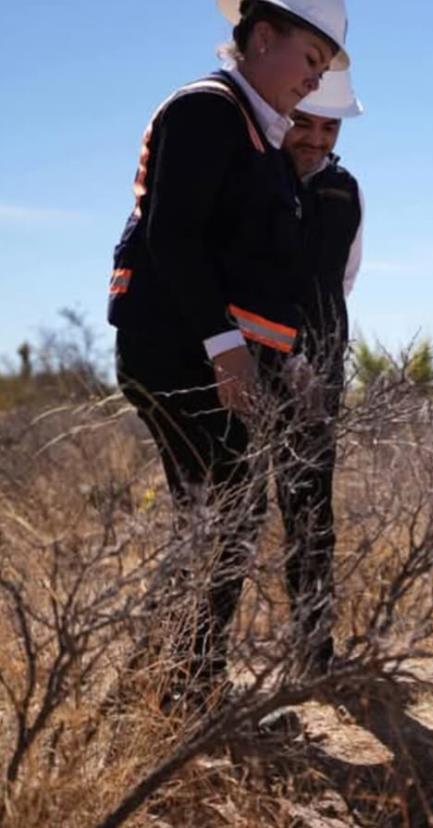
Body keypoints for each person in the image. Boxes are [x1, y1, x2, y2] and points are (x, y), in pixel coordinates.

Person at [108, 0, 349, 710]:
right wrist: (224, 349)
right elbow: (172, 238)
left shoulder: (264, 144)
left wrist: (290, 362)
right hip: (176, 352)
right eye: (310, 60)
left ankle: (172, 686)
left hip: (222, 358)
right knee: (223, 513)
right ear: (263, 37)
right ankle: (176, 693)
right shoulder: (206, 111)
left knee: (222, 517)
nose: (314, 81)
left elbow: (261, 279)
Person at [269, 67, 364, 677]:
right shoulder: (255, 175)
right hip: (254, 360)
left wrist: (320, 356)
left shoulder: (345, 188)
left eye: (328, 127)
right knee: (234, 509)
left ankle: (313, 654)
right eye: (304, 122)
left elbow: (344, 275)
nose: (315, 138)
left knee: (311, 512)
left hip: (320, 367)